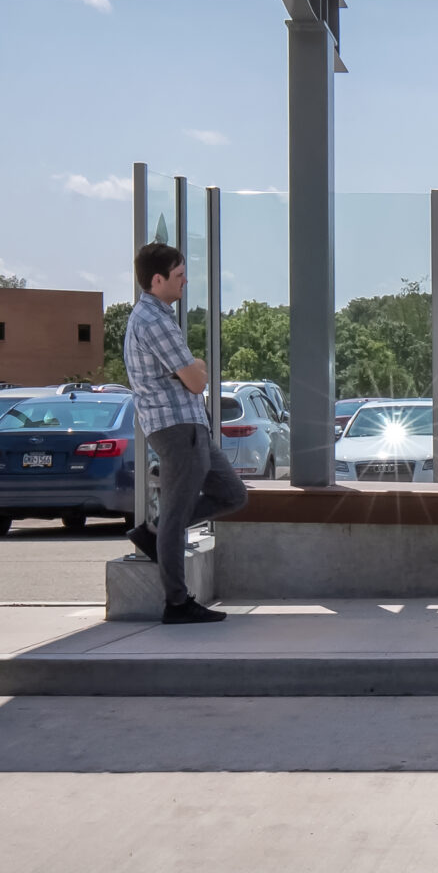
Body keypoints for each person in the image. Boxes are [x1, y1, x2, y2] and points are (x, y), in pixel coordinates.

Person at [121, 241, 245, 625]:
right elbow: (195, 381)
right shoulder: (155, 321)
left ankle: (153, 532)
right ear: (156, 280)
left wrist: (195, 368)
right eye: (178, 275)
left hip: (189, 427)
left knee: (232, 494)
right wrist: (196, 368)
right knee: (177, 517)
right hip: (177, 428)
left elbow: (193, 373)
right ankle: (177, 602)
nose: (185, 281)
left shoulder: (154, 316)